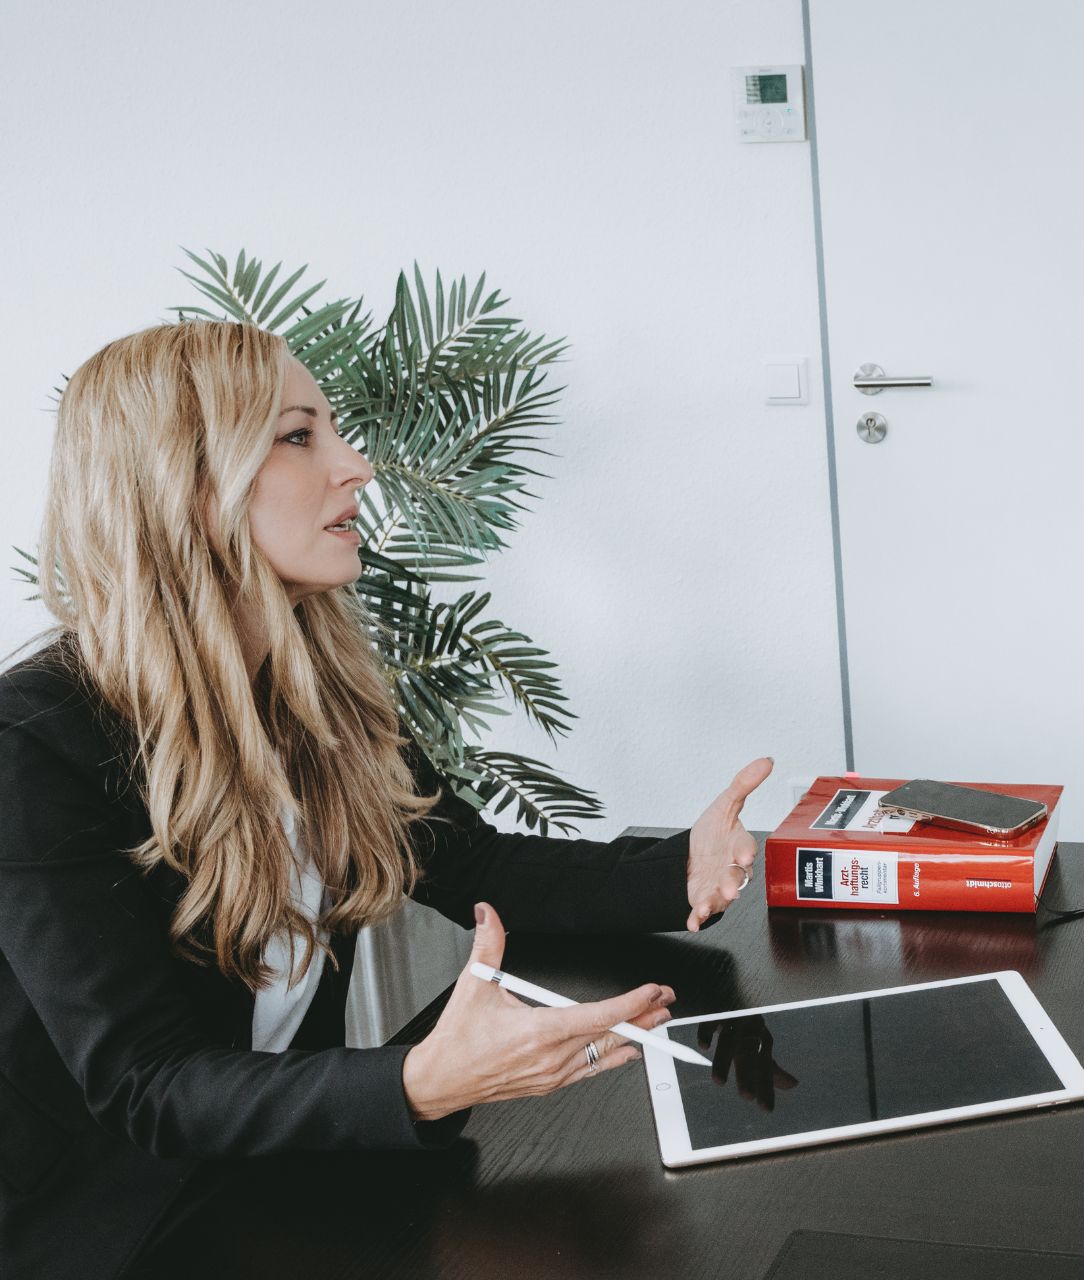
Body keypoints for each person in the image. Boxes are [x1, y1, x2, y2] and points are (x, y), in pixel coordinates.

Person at [0, 321, 773, 1279]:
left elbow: (471, 864)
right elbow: (147, 1085)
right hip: (119, 1226)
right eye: (299, 436)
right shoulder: (34, 745)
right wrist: (415, 1082)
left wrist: (677, 870)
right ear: (186, 485)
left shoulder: (312, 685)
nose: (356, 466)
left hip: (288, 1174)